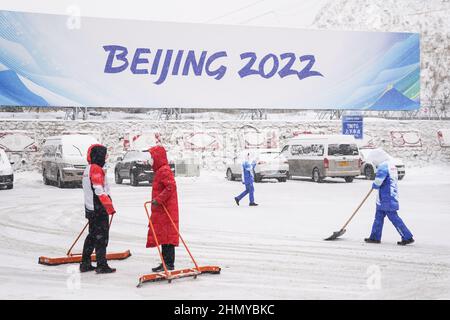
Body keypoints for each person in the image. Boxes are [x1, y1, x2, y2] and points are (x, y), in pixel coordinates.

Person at [365, 148, 414, 246]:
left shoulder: (383, 166)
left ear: (377, 158)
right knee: (378, 217)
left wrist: (374, 185)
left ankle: (407, 236)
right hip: (388, 196)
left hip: (386, 197)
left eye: (374, 161)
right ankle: (375, 237)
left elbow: (379, 181)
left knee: (394, 217)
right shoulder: (391, 165)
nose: (374, 163)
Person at [80, 144, 117, 273]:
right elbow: (99, 190)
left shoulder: (88, 169)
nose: (105, 158)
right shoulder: (96, 169)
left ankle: (85, 263)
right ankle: (102, 264)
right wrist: (109, 207)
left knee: (92, 236)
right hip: (99, 209)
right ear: (99, 155)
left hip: (90, 208)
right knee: (101, 237)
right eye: (104, 155)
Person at [146, 145, 179, 272]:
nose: (150, 160)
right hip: (162, 208)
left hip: (166, 209)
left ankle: (169, 263)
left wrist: (158, 200)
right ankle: (165, 262)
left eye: (152, 157)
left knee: (168, 236)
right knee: (164, 236)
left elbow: (170, 187)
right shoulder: (161, 170)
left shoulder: (164, 170)